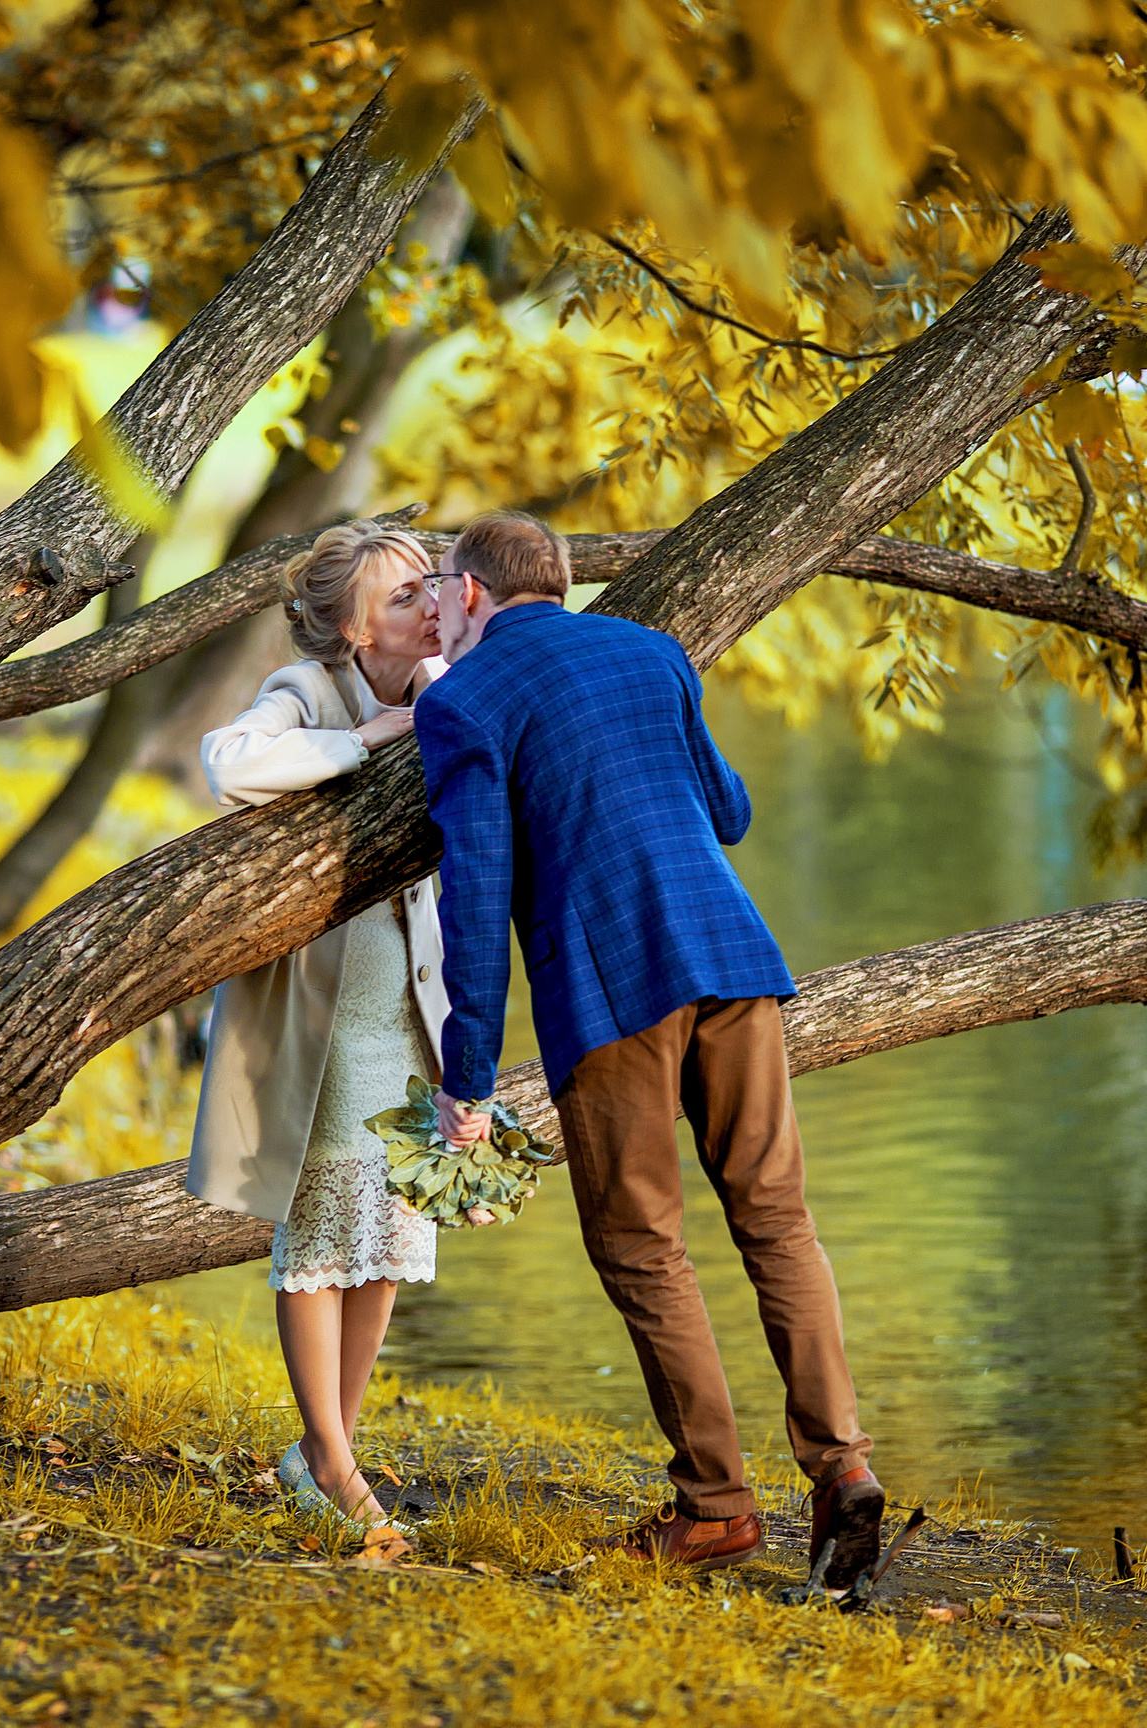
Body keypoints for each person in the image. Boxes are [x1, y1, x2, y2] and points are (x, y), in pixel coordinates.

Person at [412, 511, 885, 1587]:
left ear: (475, 593)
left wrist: (467, 1079)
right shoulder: (650, 651)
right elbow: (729, 810)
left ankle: (716, 1507)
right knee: (775, 1217)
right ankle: (840, 1462)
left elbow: (475, 902)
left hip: (612, 987)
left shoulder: (464, 701)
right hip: (734, 958)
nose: (433, 604)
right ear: (562, 581)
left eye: (440, 586)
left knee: (640, 1245)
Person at [184, 518, 448, 1548]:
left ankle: (327, 1446)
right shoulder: (310, 692)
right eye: (401, 597)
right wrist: (359, 744)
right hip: (323, 1015)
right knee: (325, 1220)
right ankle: (331, 1461)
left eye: (434, 587)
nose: (430, 605)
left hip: (410, 1010)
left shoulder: (442, 689)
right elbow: (229, 763)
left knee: (388, 1226)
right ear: (347, 627)